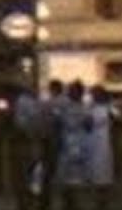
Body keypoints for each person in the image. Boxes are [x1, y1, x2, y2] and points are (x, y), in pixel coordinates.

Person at [55, 80, 89, 210]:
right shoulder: (64, 106)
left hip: (79, 144)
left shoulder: (85, 108)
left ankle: (75, 204)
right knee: (64, 177)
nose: (71, 93)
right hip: (66, 144)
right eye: (70, 90)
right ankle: (67, 203)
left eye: (74, 91)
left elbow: (88, 125)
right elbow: (57, 123)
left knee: (77, 178)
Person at [37, 80, 66, 210]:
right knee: (63, 173)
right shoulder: (66, 103)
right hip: (63, 142)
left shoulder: (48, 104)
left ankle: (45, 202)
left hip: (51, 142)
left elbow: (45, 123)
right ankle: (67, 202)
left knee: (48, 173)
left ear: (53, 89)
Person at [87, 85, 117, 210]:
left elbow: (118, 121)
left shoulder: (109, 108)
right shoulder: (91, 108)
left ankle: (103, 200)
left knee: (104, 170)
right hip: (94, 142)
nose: (94, 96)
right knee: (96, 170)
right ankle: (98, 200)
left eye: (95, 94)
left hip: (104, 142)